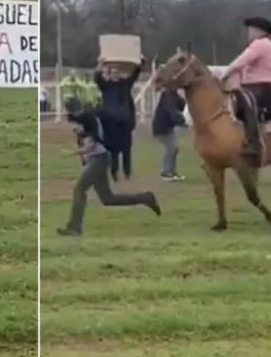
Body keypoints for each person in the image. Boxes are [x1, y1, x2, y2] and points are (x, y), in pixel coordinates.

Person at [56, 99, 161, 236]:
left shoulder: (86, 119)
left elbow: (90, 145)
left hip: (98, 159)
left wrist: (71, 154)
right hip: (98, 158)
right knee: (108, 199)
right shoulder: (86, 118)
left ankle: (74, 227)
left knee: (79, 189)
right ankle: (146, 198)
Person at [220, 16, 271, 162]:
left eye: (251, 30)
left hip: (261, 85)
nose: (249, 33)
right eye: (249, 30)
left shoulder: (260, 44)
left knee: (247, 103)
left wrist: (224, 74)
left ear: (260, 31)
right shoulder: (262, 44)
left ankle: (254, 144)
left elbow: (240, 62)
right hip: (256, 85)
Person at [95, 58, 141, 182]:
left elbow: (135, 75)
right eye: (113, 73)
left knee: (126, 150)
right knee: (113, 150)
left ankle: (127, 173)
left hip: (124, 122)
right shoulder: (106, 86)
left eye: (117, 73)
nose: (115, 75)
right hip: (111, 123)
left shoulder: (125, 84)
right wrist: (100, 65)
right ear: (110, 74)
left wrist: (140, 62)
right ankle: (114, 173)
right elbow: (97, 77)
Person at [152, 87, 186, 181]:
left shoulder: (173, 94)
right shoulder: (167, 95)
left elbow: (182, 105)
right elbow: (172, 112)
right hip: (161, 127)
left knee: (173, 148)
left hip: (168, 127)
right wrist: (183, 121)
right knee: (171, 148)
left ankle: (171, 172)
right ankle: (165, 172)